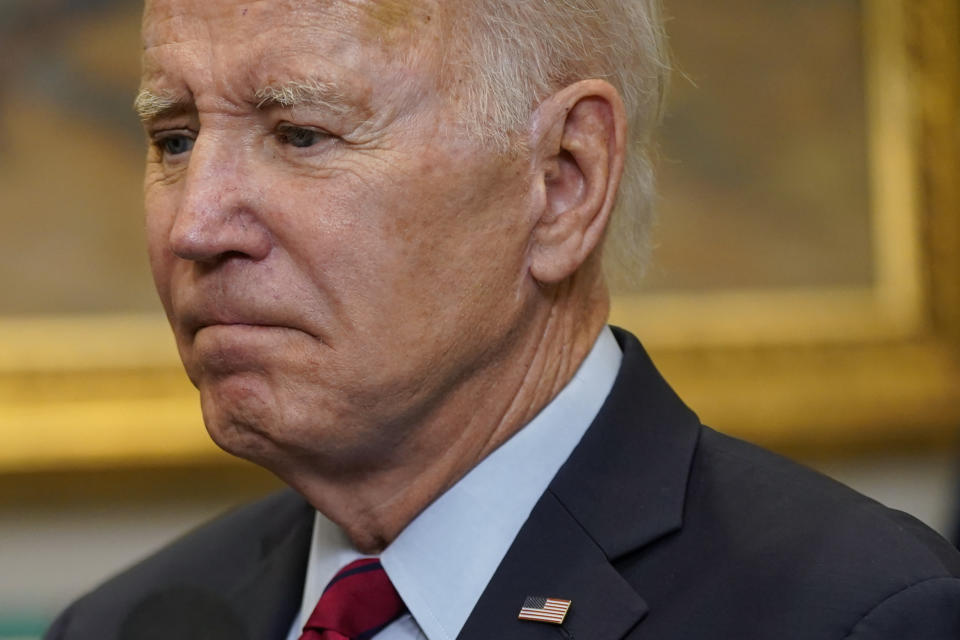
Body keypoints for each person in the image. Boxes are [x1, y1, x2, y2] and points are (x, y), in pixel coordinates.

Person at [46, 0, 960, 638]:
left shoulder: (857, 614)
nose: (197, 226)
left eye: (301, 135)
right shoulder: (121, 622)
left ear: (563, 181)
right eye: (173, 138)